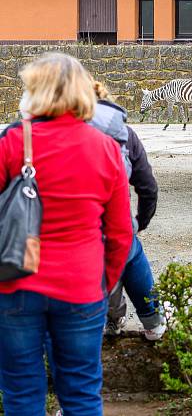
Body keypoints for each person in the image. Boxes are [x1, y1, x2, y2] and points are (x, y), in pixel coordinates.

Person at [0, 53, 133, 416]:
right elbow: (122, 232)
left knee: (22, 393)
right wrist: (103, 284)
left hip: (16, 286)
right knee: (81, 393)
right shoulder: (105, 148)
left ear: (35, 92)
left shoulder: (11, 143)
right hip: (81, 287)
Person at [89, 81, 165, 341]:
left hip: (78, 224)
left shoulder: (63, 133)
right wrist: (140, 222)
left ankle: (112, 320)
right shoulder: (124, 133)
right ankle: (153, 320)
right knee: (129, 252)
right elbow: (148, 187)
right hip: (115, 220)